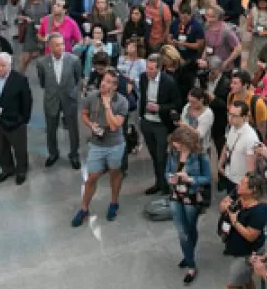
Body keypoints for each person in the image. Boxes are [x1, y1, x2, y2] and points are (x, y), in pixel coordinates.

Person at [71, 68, 131, 227]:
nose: (104, 84)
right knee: (92, 177)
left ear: (115, 87)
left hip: (115, 144)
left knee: (115, 174)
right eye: (104, 80)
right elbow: (84, 113)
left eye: (109, 82)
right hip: (97, 144)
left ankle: (114, 202)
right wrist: (91, 124)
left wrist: (107, 105)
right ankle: (84, 208)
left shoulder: (122, 101)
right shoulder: (92, 96)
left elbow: (115, 125)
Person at [163, 125, 213, 284]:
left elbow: (207, 178)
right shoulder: (172, 152)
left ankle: (188, 254)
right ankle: (191, 265)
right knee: (182, 232)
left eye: (178, 143)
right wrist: (170, 177)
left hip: (192, 197)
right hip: (175, 195)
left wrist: (191, 179)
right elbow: (166, 171)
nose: (175, 145)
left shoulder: (199, 155)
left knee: (190, 229)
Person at [33, 34, 84, 169]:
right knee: (51, 129)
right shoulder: (41, 63)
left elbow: (78, 78)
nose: (61, 47)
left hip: (69, 99)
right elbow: (42, 82)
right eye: (57, 45)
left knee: (73, 129)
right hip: (51, 99)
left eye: (62, 44)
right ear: (49, 47)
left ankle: (74, 154)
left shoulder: (74, 60)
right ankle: (53, 153)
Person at [141, 55, 183, 194]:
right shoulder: (143, 78)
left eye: (151, 69)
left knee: (161, 156)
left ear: (159, 68)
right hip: (147, 121)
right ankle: (158, 183)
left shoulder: (169, 82)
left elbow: (177, 103)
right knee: (153, 155)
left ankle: (166, 185)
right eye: (147, 68)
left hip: (161, 124)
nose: (148, 71)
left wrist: (159, 108)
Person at [0, 53, 33, 185]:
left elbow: (27, 102)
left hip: (15, 122)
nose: (0, 68)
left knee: (20, 149)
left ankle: (21, 171)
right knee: (0, 148)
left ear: (10, 65)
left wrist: (23, 119)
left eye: (3, 65)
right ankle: (7, 169)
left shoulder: (20, 80)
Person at [222, 175, 267, 289]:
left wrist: (235, 221)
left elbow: (251, 236)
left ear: (252, 189)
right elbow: (222, 205)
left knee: (232, 285)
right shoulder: (239, 196)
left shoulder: (260, 209)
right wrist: (228, 207)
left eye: (243, 183)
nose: (238, 184)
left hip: (247, 253)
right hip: (236, 248)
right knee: (246, 280)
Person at [222, 99, 263, 195]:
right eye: (229, 114)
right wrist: (220, 164)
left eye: (235, 116)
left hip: (240, 182)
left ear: (244, 118)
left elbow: (251, 169)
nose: (230, 118)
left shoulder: (250, 137)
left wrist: (245, 187)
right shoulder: (231, 127)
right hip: (229, 174)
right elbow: (227, 145)